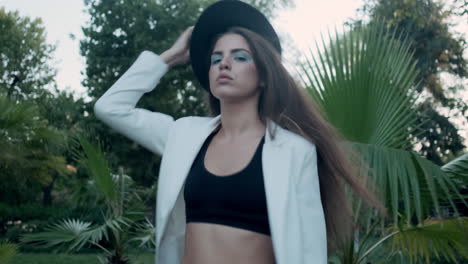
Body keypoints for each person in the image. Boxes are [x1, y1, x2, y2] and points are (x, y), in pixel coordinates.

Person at [94, 1, 386, 263]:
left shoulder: (295, 151)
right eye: (215, 58)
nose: (224, 63)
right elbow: (110, 107)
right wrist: (169, 57)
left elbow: (309, 250)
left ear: (263, 76)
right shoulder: (183, 136)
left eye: (240, 57)